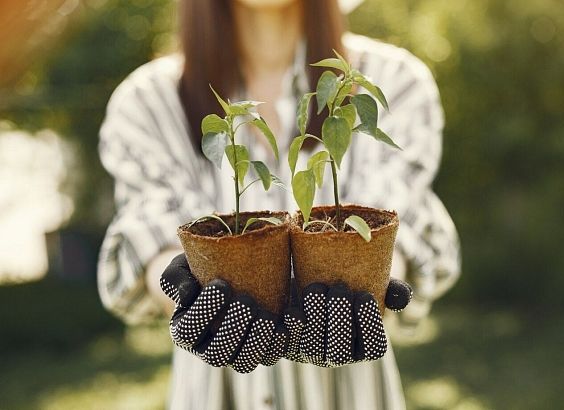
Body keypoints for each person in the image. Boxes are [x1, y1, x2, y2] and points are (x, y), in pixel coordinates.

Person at [97, 0, 461, 408]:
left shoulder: (395, 80)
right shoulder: (149, 101)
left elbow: (394, 218)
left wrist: (372, 284)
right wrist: (187, 292)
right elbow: (151, 229)